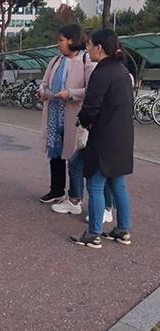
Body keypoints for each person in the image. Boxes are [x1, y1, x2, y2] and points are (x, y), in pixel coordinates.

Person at [70, 29, 134, 249]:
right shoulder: (123, 72)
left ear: (99, 47)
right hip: (123, 136)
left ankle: (94, 233)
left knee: (95, 185)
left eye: (89, 45)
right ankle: (123, 230)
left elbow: (91, 107)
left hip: (104, 136)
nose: (87, 49)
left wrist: (84, 122)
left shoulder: (101, 73)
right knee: (119, 184)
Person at [38, 24, 94, 206]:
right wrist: (44, 91)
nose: (58, 44)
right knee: (55, 153)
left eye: (61, 40)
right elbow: (44, 82)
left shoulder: (86, 60)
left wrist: (69, 93)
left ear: (72, 40)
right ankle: (56, 190)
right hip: (54, 115)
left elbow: (91, 90)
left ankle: (75, 197)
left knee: (74, 157)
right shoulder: (56, 61)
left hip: (74, 116)